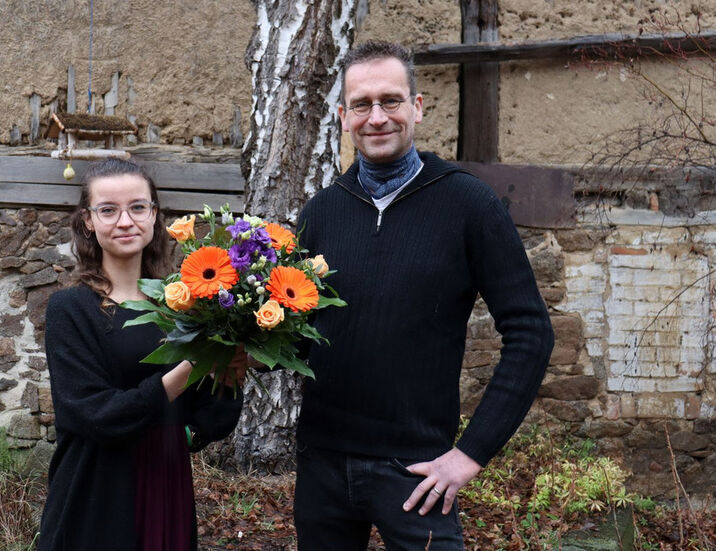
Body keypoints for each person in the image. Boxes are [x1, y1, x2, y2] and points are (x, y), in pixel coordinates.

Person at [293, 41, 555, 550]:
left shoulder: (469, 204)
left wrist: (470, 454)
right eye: (362, 105)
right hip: (322, 465)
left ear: (417, 107)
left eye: (391, 100)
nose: (377, 117)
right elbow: (304, 336)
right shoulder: (321, 212)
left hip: (416, 472)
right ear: (343, 117)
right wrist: (242, 345)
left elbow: (531, 334)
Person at [37, 159, 244, 551]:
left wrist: (227, 374)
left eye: (137, 207)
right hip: (96, 489)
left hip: (165, 483)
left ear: (154, 217)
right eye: (108, 210)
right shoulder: (71, 308)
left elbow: (208, 420)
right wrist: (190, 367)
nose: (125, 221)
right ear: (88, 222)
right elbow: (94, 415)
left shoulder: (184, 307)